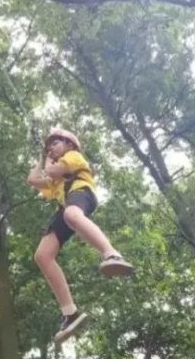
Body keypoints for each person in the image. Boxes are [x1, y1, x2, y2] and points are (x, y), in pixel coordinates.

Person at [27, 127, 134, 343]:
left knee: (72, 214)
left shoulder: (73, 157)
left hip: (81, 194)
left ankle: (111, 254)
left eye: (56, 143)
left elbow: (54, 172)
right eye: (49, 146)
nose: (51, 148)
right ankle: (70, 313)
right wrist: (42, 158)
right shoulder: (55, 175)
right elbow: (33, 180)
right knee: (42, 255)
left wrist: (49, 162)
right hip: (65, 209)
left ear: (69, 144)